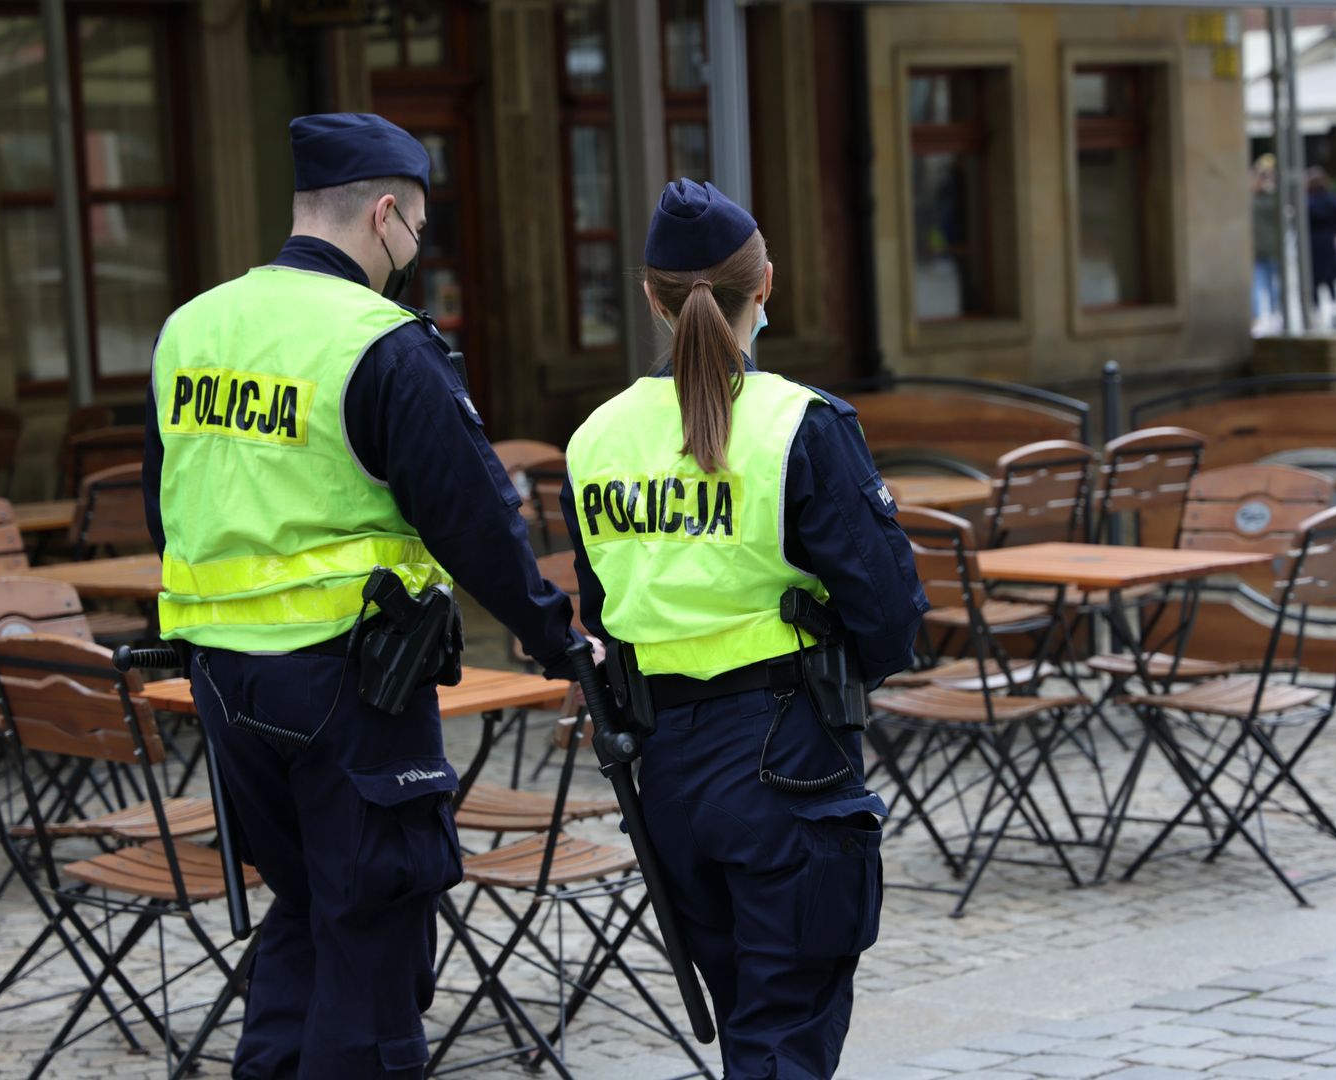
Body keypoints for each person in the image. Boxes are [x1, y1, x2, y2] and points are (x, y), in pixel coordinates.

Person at [141, 113, 580, 1079]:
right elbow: (475, 524)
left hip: (224, 685)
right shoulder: (379, 340)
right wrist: (562, 643)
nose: (411, 256)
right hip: (354, 688)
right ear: (385, 215)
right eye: (416, 234)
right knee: (376, 934)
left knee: (303, 915)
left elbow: (162, 504)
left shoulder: (192, 326)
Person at [559, 179, 926, 1078]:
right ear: (766, 287)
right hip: (787, 756)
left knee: (749, 1019)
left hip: (669, 769)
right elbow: (889, 613)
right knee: (784, 1030)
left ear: (650, 296)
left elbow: (603, 610)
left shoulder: (595, 437)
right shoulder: (800, 422)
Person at [1306, 168, 1336, 328]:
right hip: (1330, 241)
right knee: (1331, 279)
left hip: (1312, 243)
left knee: (1314, 279)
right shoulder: (1333, 200)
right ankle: (1335, 308)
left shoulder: (1307, 201)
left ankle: (1316, 313)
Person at [1251, 155, 1282, 328]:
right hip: (1261, 248)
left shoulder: (1270, 198)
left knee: (1270, 284)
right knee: (1261, 284)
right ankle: (1262, 315)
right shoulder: (1254, 198)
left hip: (1269, 248)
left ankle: (1271, 313)